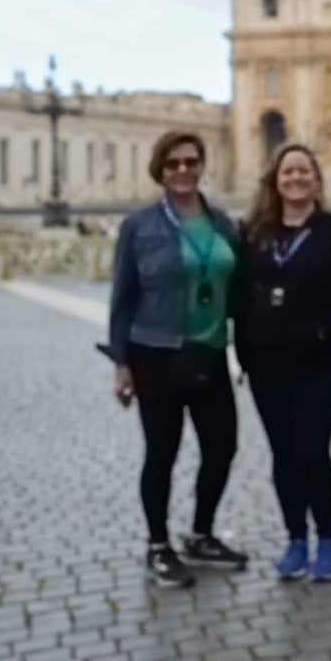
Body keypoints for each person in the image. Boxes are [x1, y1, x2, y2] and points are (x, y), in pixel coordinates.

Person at [107, 130, 248, 589]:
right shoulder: (139, 226)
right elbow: (123, 298)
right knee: (161, 453)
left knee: (221, 449)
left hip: (209, 352)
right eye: (173, 164)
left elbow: (241, 287)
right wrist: (121, 363)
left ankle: (201, 533)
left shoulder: (223, 222)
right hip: (156, 353)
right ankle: (157, 544)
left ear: (202, 165)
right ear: (160, 170)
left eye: (191, 161)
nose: (183, 170)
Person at [237, 144, 331, 582]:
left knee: (312, 452)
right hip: (264, 364)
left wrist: (325, 329)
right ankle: (296, 538)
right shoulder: (255, 234)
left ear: (316, 179)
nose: (295, 179)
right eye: (287, 172)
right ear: (275, 180)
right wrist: (243, 352)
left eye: (303, 171)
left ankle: (327, 538)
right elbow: (239, 296)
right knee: (282, 455)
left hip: (318, 362)